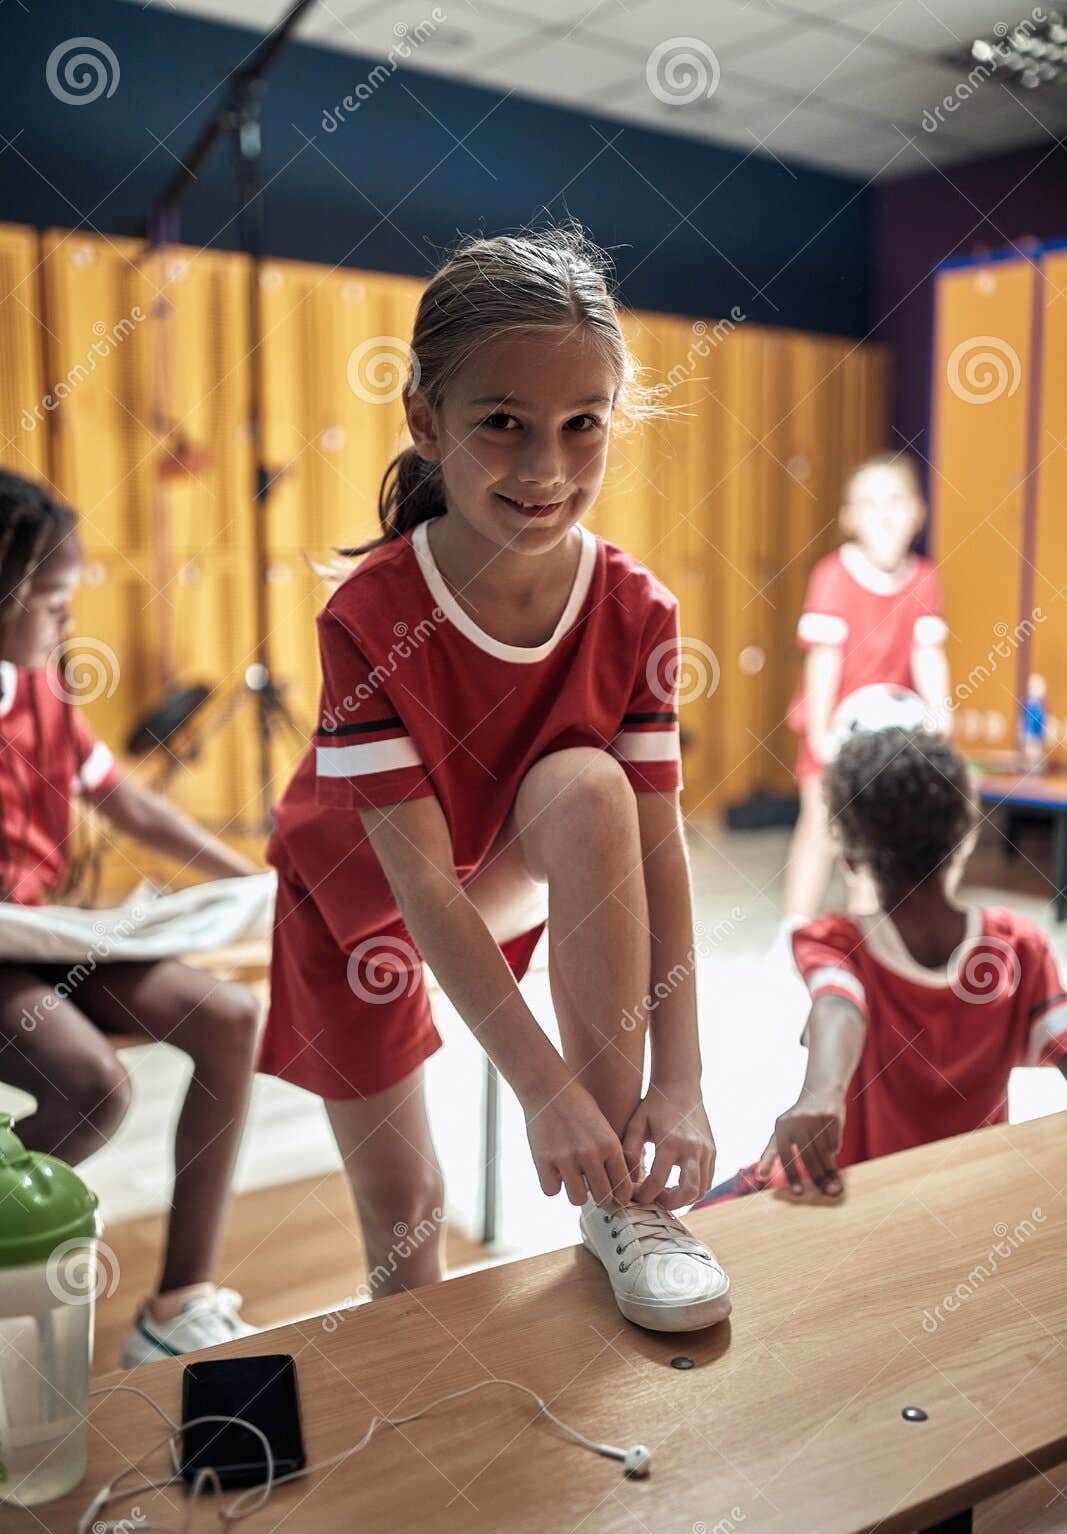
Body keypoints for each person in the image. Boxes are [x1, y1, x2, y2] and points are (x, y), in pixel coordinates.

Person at [258, 224, 730, 1334]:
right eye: (501, 425)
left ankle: (620, 1208)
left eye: (580, 427)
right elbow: (419, 893)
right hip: (354, 912)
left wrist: (681, 1078)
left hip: (497, 871)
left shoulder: (636, 609)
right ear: (425, 417)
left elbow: (656, 858)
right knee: (405, 1212)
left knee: (593, 790)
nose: (543, 470)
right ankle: (416, 1432)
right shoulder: (370, 615)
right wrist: (541, 1087)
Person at [0, 470, 262, 1365]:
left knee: (230, 1018)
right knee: (94, 1088)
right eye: (54, 602)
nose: (68, 622)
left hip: (41, 936)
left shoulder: (40, 687)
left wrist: (254, 880)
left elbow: (128, 805)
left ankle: (175, 1304)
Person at [696, 727, 1067, 1205]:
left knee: (699, 1219)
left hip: (847, 1193)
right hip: (965, 1198)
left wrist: (821, 1097)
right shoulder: (1018, 946)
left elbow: (838, 1004)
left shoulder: (838, 944)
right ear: (967, 832)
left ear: (848, 856)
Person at [782, 453, 950, 921]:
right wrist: (820, 736)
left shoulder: (924, 578)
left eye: (896, 500)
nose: (885, 512)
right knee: (819, 824)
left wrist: (942, 715)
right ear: (849, 518)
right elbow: (823, 664)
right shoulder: (832, 577)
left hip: (891, 737)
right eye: (870, 503)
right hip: (834, 726)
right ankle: (794, 929)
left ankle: (871, 937)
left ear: (918, 511)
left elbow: (928, 656)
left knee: (878, 838)